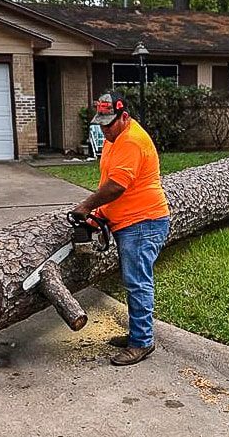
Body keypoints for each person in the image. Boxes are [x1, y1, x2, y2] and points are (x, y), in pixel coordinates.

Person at [72, 91, 170, 366]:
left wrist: (87, 206)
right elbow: (109, 180)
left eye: (109, 123)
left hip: (143, 222)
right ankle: (138, 333)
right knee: (133, 280)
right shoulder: (113, 138)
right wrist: (101, 214)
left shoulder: (132, 141)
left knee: (137, 282)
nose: (104, 129)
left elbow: (117, 186)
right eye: (101, 123)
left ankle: (142, 343)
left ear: (123, 117)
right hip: (128, 220)